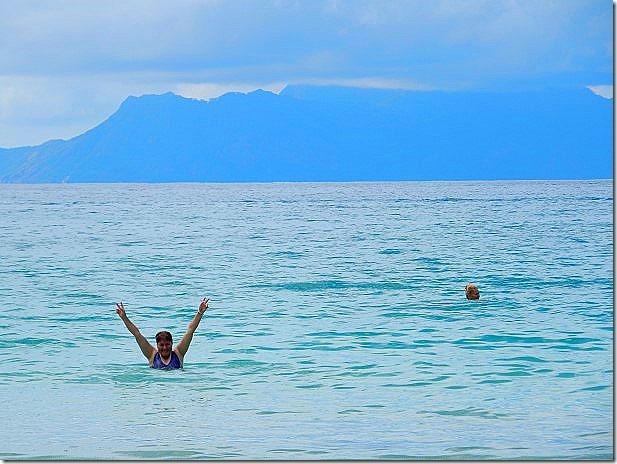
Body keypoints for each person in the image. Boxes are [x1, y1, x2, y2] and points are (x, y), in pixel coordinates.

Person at [115, 297, 209, 369]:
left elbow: (190, 331)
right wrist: (124, 318)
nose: (165, 348)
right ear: (157, 345)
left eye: (167, 344)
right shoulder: (152, 355)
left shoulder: (179, 353)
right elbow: (137, 334)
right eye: (161, 345)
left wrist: (200, 313)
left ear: (172, 343)